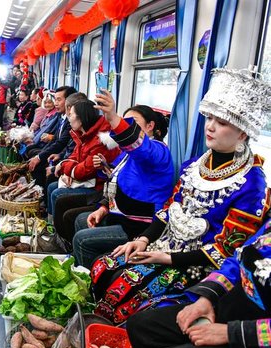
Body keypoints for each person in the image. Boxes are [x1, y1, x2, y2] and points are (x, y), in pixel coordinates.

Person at [91, 68, 271, 324]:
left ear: (242, 133)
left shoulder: (252, 184)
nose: (210, 127)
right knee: (102, 266)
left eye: (221, 123)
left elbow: (228, 248)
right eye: (209, 118)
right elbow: (167, 210)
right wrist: (143, 240)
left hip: (200, 264)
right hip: (163, 244)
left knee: (126, 287)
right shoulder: (194, 165)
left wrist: (166, 258)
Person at [127, 219, 271, 348]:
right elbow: (237, 259)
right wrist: (207, 298)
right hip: (233, 312)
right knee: (143, 326)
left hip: (255, 344)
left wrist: (231, 333)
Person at [71, 95, 174, 268]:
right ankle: (81, 265)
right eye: (125, 121)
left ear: (150, 126)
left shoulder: (158, 151)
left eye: (132, 121)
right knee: (81, 220)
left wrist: (113, 118)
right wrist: (103, 208)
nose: (127, 125)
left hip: (140, 226)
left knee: (82, 239)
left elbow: (142, 148)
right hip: (121, 214)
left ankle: (90, 282)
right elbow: (115, 181)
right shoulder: (126, 154)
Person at [47, 99, 120, 219]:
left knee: (57, 194)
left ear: (81, 118)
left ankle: (59, 234)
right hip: (87, 182)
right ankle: (51, 227)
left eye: (71, 114)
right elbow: (73, 157)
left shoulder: (101, 140)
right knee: (52, 187)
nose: (69, 117)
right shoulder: (84, 135)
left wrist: (63, 166)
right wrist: (66, 168)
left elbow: (82, 171)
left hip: (97, 188)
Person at [27, 86, 76, 189]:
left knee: (40, 165)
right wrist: (39, 156)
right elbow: (55, 140)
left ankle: (41, 197)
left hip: (64, 156)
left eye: (59, 100)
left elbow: (61, 143)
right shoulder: (61, 117)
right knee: (33, 154)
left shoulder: (71, 121)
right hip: (60, 153)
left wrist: (40, 157)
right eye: (55, 100)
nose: (56, 103)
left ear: (69, 102)